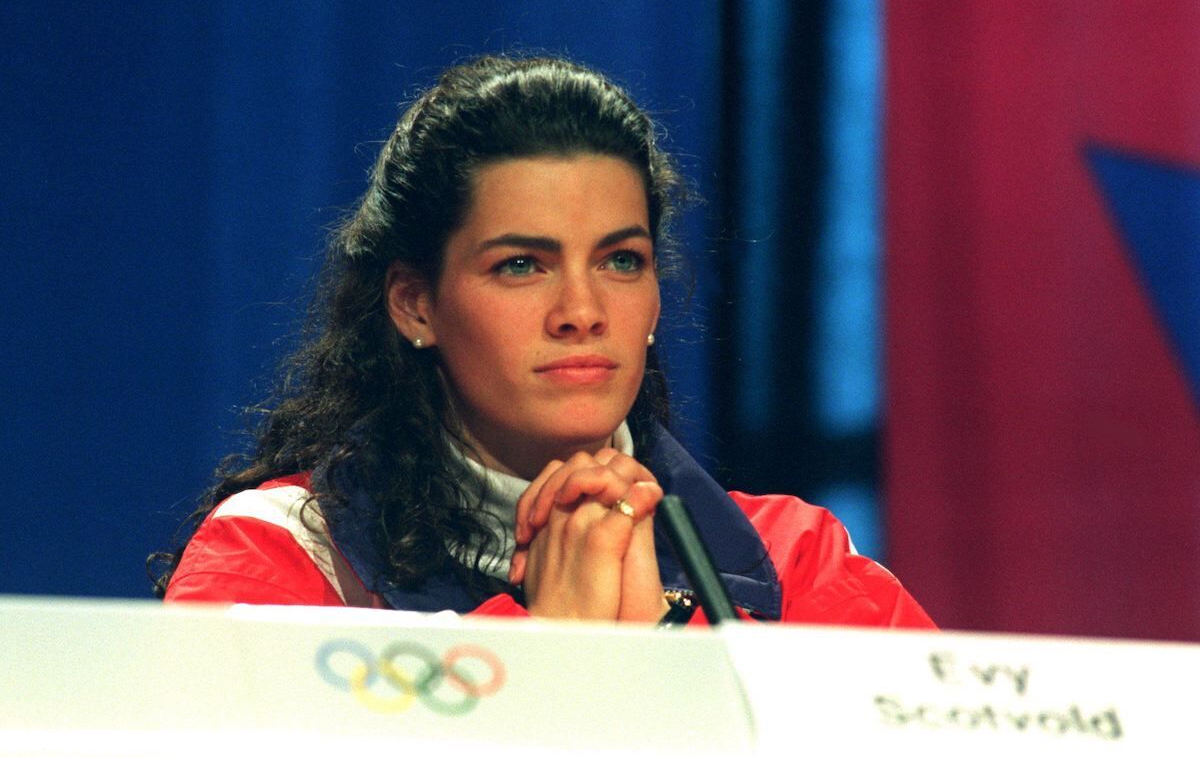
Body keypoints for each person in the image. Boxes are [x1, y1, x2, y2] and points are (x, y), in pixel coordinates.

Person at [152, 55, 934, 628]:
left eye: (620, 260)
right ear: (415, 304)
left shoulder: (794, 563)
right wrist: (546, 657)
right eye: (521, 265)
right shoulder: (283, 556)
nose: (582, 310)